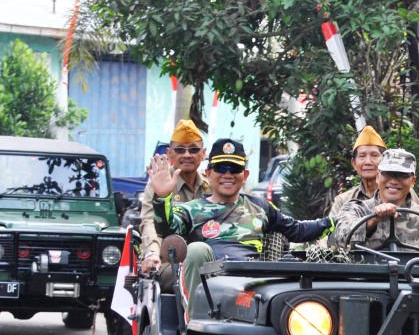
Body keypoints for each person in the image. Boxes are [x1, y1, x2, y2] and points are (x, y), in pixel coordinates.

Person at [149, 138, 335, 313]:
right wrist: (162, 198)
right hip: (208, 287)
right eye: (221, 168)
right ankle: (195, 325)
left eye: (235, 169)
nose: (228, 175)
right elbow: (167, 230)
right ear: (208, 173)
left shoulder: (261, 207)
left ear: (245, 175)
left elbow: (297, 230)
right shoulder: (192, 209)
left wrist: (335, 222)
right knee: (196, 249)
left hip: (250, 285)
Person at [138, 119, 211, 277]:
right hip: (169, 261)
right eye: (180, 150)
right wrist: (152, 253)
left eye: (193, 149)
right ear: (170, 153)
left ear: (203, 153)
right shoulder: (159, 182)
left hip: (207, 262)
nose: (187, 155)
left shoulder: (210, 185)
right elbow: (150, 222)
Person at [327, 125, 418, 218]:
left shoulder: (402, 192)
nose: (368, 162)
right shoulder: (343, 200)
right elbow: (333, 226)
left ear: (384, 162)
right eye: (362, 156)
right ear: (354, 163)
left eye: (374, 155)